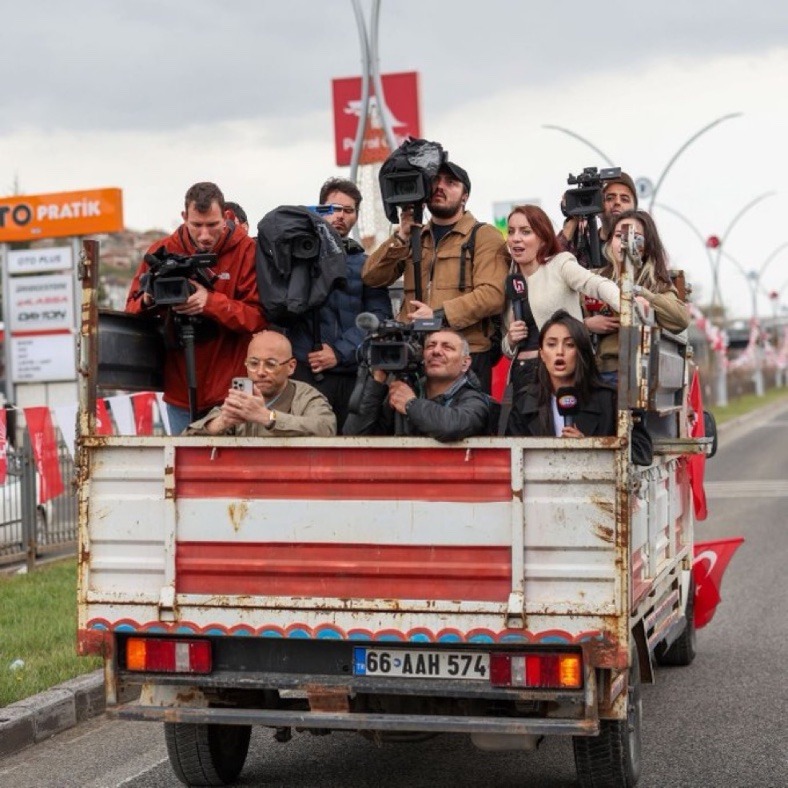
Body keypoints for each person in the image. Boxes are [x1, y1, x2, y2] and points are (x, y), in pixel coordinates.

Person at [125, 182, 266, 435]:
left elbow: (258, 317)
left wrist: (209, 302)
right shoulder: (161, 252)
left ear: (225, 217)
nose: (204, 235)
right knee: (186, 470)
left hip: (232, 388)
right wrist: (149, 300)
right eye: (196, 225)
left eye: (212, 225)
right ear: (184, 218)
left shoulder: (246, 251)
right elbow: (130, 313)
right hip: (179, 389)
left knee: (235, 469)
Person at [362, 159, 508, 393]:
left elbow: (493, 294)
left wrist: (438, 315)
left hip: (466, 354)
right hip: (414, 352)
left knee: (466, 425)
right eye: (435, 181)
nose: (440, 187)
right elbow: (371, 276)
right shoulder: (415, 236)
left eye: (451, 183)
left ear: (464, 196)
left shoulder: (484, 235)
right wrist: (402, 236)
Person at [281, 177, 392, 431]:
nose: (340, 216)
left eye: (348, 210)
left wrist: (339, 353)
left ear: (355, 216)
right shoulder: (295, 259)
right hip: (306, 373)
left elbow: (379, 316)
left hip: (355, 374)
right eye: (332, 209)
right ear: (319, 210)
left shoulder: (367, 264)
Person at [502, 205, 620, 392]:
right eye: (511, 231)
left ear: (542, 239)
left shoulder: (560, 263)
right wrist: (510, 339)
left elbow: (596, 284)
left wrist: (628, 303)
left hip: (563, 374)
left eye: (525, 232)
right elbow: (507, 348)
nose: (516, 238)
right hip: (522, 377)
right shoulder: (511, 279)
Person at [589, 209, 690, 383]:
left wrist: (645, 298)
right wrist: (587, 324)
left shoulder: (655, 282)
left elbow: (680, 319)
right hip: (597, 371)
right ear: (610, 241)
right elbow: (566, 317)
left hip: (642, 373)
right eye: (619, 235)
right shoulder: (593, 279)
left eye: (635, 237)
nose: (625, 243)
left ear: (647, 245)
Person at [343, 329, 492, 441]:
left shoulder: (474, 399)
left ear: (465, 363)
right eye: (430, 346)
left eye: (447, 347)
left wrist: (410, 404)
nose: (436, 351)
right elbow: (354, 436)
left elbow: (452, 426)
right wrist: (377, 382)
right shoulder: (403, 391)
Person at [187, 330, 336, 437]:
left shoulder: (306, 397)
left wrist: (267, 417)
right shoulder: (243, 396)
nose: (260, 372)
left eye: (270, 364)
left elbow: (326, 428)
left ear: (291, 367)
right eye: (253, 363)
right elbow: (185, 439)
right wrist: (220, 423)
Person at [507, 310, 616, 437]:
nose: (559, 352)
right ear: (541, 354)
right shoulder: (525, 402)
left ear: (582, 352)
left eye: (569, 345)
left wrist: (587, 450)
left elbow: (632, 453)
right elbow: (510, 454)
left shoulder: (609, 401)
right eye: (551, 344)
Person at [557, 171, 638, 269]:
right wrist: (573, 217)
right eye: (609, 198)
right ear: (597, 206)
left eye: (624, 199)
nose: (617, 202)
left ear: (635, 208)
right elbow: (553, 271)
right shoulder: (583, 245)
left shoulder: (643, 245)